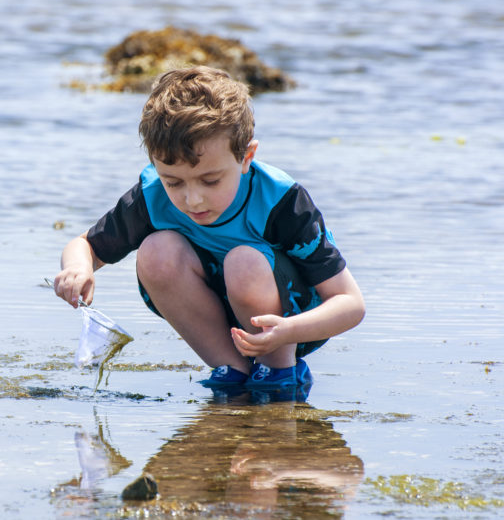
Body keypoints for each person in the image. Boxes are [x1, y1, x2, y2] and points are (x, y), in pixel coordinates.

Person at [52, 66, 364, 390]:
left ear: (246, 156)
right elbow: (85, 245)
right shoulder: (153, 196)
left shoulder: (280, 201)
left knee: (243, 261)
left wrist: (289, 331)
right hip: (215, 316)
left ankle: (280, 375)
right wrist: (78, 269)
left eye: (210, 180)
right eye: (173, 182)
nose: (193, 199)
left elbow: (350, 303)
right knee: (156, 251)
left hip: (294, 323)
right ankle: (231, 370)